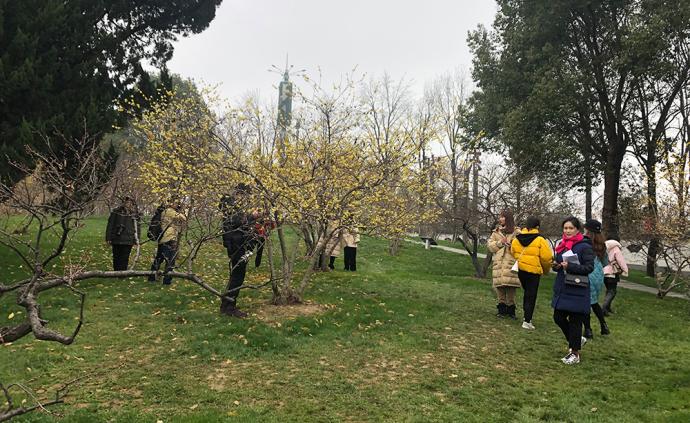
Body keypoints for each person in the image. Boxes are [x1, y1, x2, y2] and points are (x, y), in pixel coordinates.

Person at [552, 216, 595, 365]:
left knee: (576, 321)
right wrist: (556, 265)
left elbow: (589, 268)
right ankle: (576, 339)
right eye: (565, 228)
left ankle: (574, 353)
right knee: (558, 317)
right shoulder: (562, 245)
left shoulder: (585, 246)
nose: (568, 231)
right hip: (563, 287)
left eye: (571, 228)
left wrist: (569, 267)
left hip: (577, 288)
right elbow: (559, 261)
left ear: (577, 229)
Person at [219, 184, 258, 318]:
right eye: (246, 196)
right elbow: (237, 221)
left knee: (237, 275)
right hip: (237, 245)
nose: (247, 199)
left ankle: (227, 303)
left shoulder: (232, 206)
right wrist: (251, 216)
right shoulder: (231, 207)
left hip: (238, 244)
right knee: (238, 276)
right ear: (239, 194)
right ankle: (229, 306)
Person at [511, 216, 553, 329]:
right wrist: (545, 269)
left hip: (521, 269)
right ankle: (527, 320)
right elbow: (547, 257)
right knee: (531, 295)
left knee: (527, 293)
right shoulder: (540, 240)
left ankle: (526, 316)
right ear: (537, 226)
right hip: (534, 271)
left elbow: (513, 251)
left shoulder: (517, 238)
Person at [487, 210, 521, 319]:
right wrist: (500, 243)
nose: (500, 219)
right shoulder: (496, 232)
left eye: (503, 217)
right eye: (500, 217)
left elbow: (522, 246)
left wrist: (511, 245)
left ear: (508, 218)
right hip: (499, 263)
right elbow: (490, 246)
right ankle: (501, 310)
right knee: (500, 287)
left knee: (511, 287)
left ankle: (511, 310)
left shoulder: (517, 232)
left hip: (511, 263)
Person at [583, 219, 610, 338]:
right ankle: (604, 325)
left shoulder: (585, 242)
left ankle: (588, 329)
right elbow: (605, 262)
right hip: (598, 275)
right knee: (593, 302)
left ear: (588, 230)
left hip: (587, 273)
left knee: (584, 303)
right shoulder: (602, 244)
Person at [148, 199, 186, 285]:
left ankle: (152, 277)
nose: (177, 205)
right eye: (175, 203)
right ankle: (167, 281)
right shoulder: (169, 211)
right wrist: (185, 210)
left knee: (159, 259)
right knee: (170, 261)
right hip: (169, 238)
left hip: (164, 239)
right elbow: (183, 218)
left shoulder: (166, 211)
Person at [105, 196, 140, 271]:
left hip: (128, 239)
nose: (128, 204)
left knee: (125, 257)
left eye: (130, 202)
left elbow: (137, 227)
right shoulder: (116, 212)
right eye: (127, 202)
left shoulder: (134, 214)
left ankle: (123, 273)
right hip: (117, 238)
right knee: (116, 256)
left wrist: (137, 239)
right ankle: (116, 272)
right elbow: (110, 224)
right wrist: (108, 237)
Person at [602, 238, 629, 315]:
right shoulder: (615, 248)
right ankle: (604, 308)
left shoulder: (604, 247)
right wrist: (625, 270)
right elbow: (621, 260)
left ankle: (607, 308)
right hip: (612, 272)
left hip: (604, 271)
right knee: (612, 291)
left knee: (609, 290)